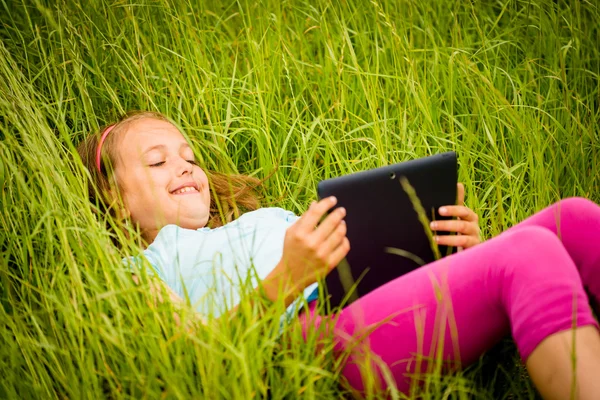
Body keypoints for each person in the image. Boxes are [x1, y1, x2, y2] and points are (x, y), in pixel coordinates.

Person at [77, 111, 600, 399]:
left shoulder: (257, 221)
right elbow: (190, 364)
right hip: (312, 342)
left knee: (574, 217)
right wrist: (286, 278)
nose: (186, 167)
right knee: (528, 251)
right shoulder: (137, 270)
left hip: (364, 297)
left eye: (190, 157)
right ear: (114, 201)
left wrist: (451, 255)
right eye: (158, 161)